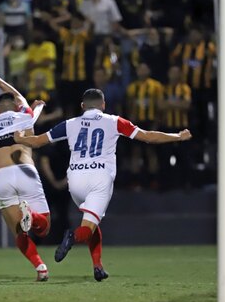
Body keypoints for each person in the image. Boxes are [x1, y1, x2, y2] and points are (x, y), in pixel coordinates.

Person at [14, 88, 191, 281]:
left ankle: (98, 267)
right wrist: (177, 137)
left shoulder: (70, 124)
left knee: (91, 220)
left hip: (75, 180)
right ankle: (71, 237)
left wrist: (20, 138)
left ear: (82, 107)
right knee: (86, 228)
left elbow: (38, 142)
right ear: (103, 105)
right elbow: (148, 136)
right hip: (99, 178)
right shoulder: (114, 121)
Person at [0, 63, 51, 282]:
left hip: (2, 175)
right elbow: (20, 98)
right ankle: (33, 214)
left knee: (19, 232)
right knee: (44, 228)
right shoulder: (25, 118)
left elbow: (15, 104)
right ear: (16, 107)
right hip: (26, 170)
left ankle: (41, 268)